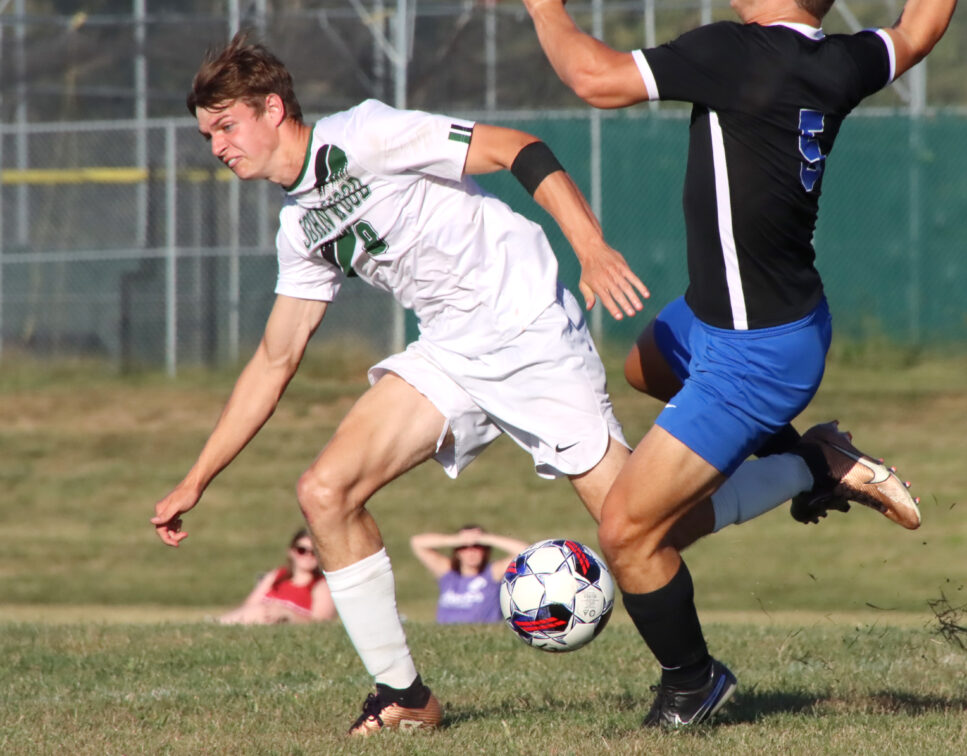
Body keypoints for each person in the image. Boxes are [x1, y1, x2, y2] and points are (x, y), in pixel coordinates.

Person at [151, 30, 651, 738]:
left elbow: (518, 148)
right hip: (450, 351)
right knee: (325, 491)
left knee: (644, 525)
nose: (218, 147)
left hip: (527, 326)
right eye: (207, 136)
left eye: (225, 127)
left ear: (271, 108)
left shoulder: (364, 134)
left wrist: (591, 246)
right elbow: (274, 359)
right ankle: (405, 696)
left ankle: (805, 466)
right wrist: (196, 479)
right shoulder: (300, 227)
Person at [522, 0, 956, 731]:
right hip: (736, 320)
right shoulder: (839, 60)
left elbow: (594, 78)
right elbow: (918, 30)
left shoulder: (739, 53)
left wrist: (543, 9)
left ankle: (693, 683)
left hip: (755, 356)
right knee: (644, 370)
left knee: (631, 532)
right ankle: (809, 456)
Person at [410, 525, 529, 624]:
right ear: (457, 552)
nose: (471, 552)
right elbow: (417, 542)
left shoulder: (492, 573)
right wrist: (457, 540)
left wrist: (485, 538)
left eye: (477, 547)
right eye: (464, 547)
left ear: (485, 550)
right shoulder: (448, 572)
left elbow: (525, 551)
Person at [218, 528, 335, 625]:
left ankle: (216, 624)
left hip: (280, 625)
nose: (307, 555)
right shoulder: (277, 575)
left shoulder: (321, 585)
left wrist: (288, 614)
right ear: (291, 551)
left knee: (261, 611)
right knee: (259, 610)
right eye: (301, 550)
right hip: (256, 622)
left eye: (314, 552)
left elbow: (320, 623)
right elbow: (249, 605)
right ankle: (217, 624)